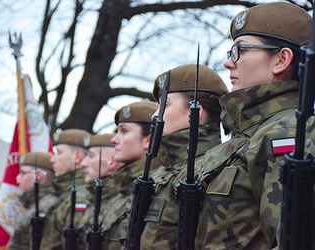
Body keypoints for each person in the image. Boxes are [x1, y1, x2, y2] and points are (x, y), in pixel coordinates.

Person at [194, 2, 312, 249]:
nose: (229, 63)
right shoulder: (248, 135)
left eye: (241, 50)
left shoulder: (288, 132)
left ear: (281, 60)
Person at [139, 64, 229, 249]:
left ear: (196, 112)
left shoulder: (214, 172)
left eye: (166, 104)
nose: (155, 115)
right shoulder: (162, 173)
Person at [95, 100, 158, 249]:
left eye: (124, 131)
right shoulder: (121, 190)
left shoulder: (157, 188)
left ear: (147, 140)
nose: (114, 140)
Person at [40, 128, 91, 250]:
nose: (52, 159)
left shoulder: (81, 196)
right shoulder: (64, 192)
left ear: (77, 156)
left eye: (59, 153)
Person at [7, 152, 58, 250]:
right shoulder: (35, 205)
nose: (17, 179)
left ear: (38, 176)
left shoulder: (45, 208)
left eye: (23, 173)